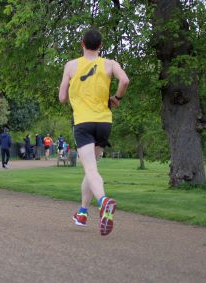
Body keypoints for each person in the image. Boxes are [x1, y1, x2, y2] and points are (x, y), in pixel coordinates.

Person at [59, 29, 129, 236]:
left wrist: (71, 87)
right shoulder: (110, 64)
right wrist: (117, 98)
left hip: (83, 122)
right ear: (100, 45)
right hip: (104, 122)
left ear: (82, 43)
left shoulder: (71, 65)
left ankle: (104, 201)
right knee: (91, 170)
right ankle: (82, 212)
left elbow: (62, 97)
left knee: (90, 169)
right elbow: (124, 81)